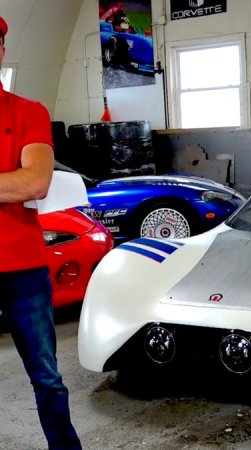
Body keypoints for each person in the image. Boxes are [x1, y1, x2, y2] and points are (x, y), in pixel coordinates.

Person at [0, 16, 82, 450]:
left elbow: (35, 183)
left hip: (24, 271)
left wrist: (21, 181)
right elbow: (17, 182)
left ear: (1, 50)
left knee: (47, 378)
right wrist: (8, 181)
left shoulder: (29, 112)